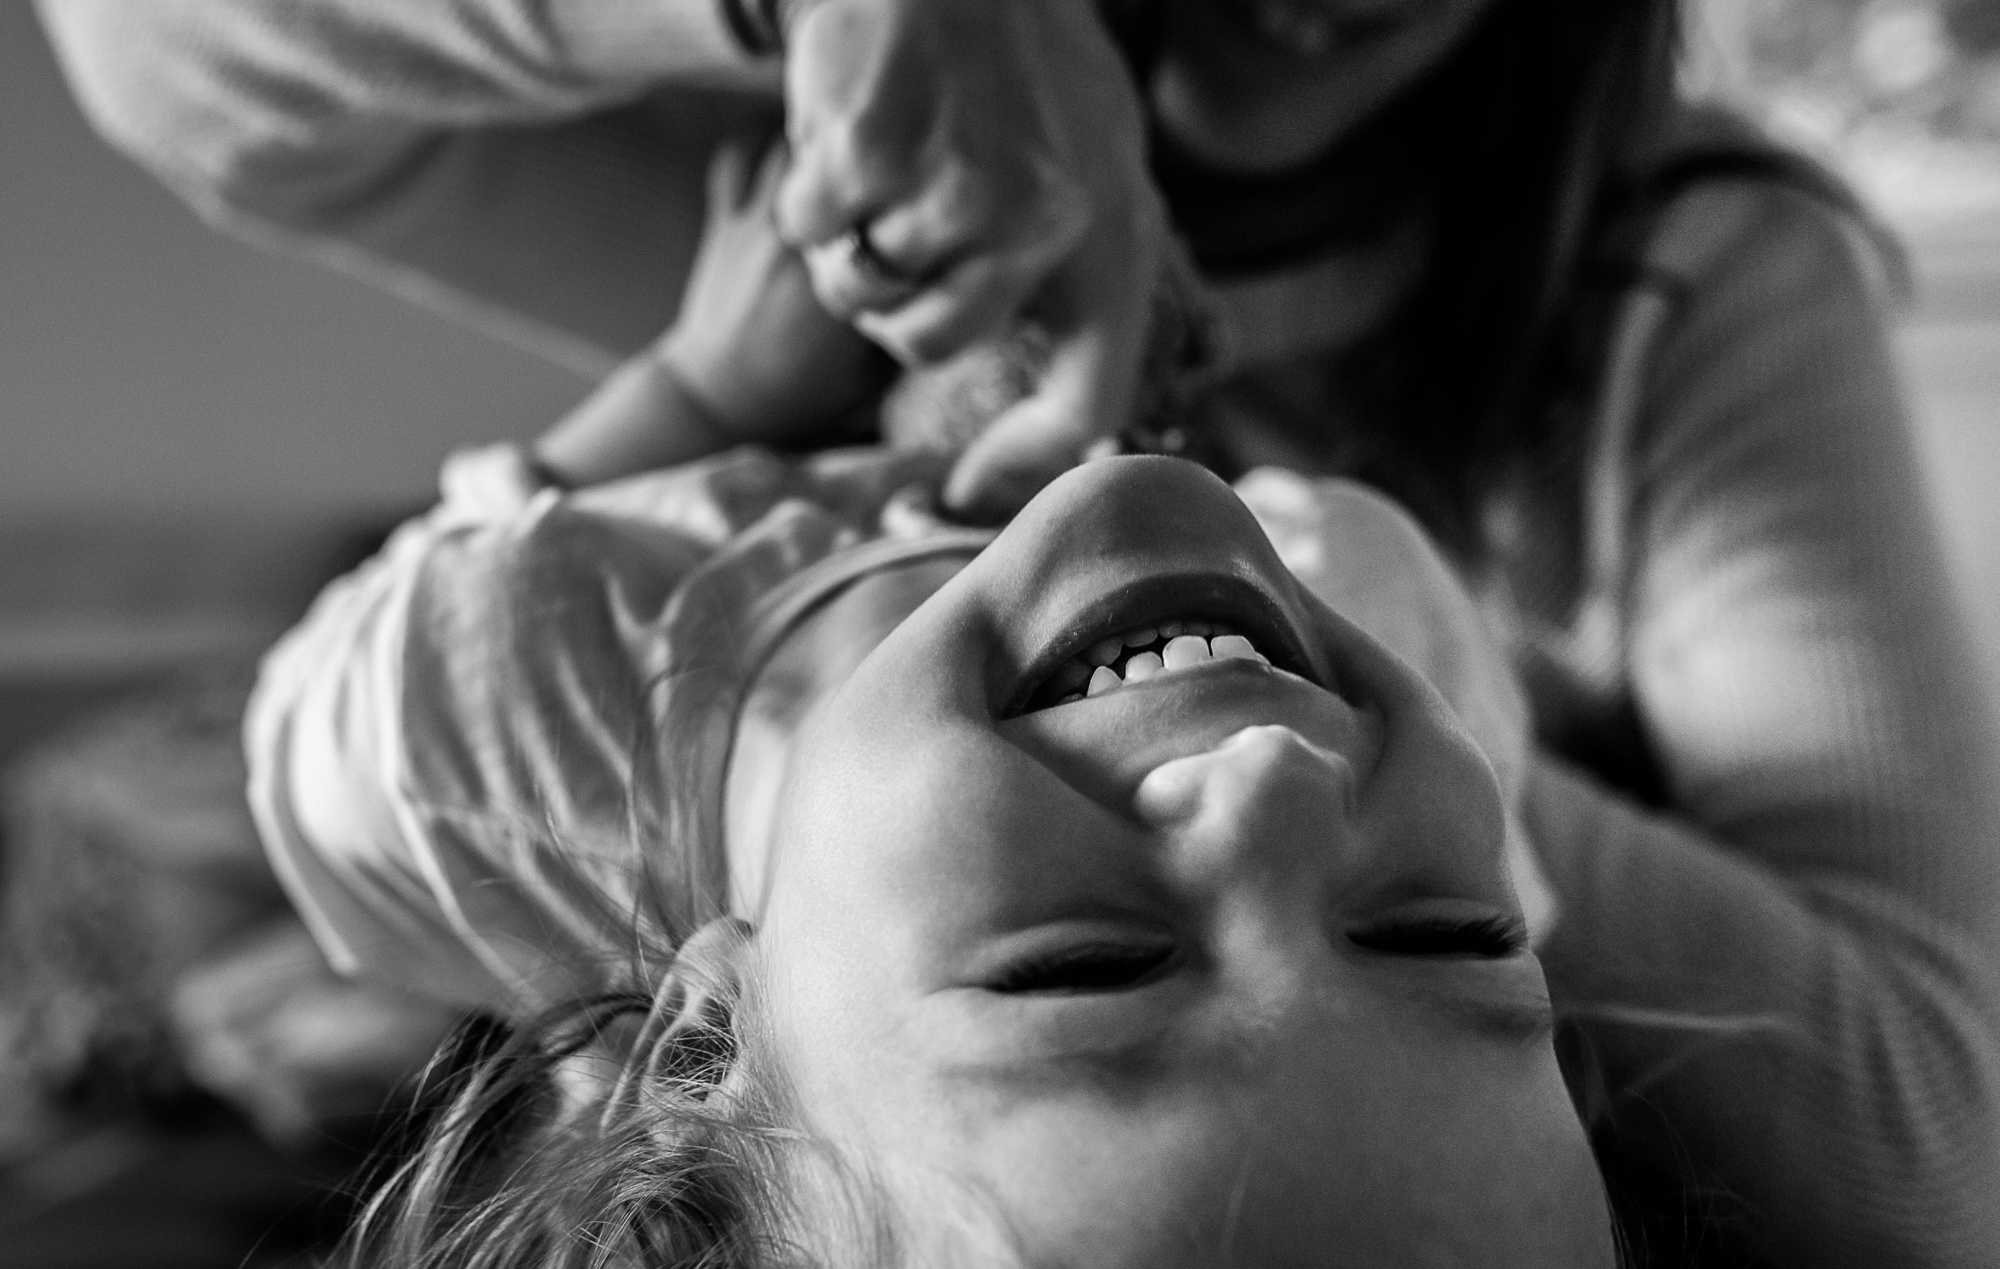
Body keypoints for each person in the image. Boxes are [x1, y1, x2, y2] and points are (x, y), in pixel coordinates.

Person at [32, 0, 2000, 1262]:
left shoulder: (1686, 288)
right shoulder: (890, 88)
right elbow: (145, 23)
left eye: (1086, 971)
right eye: (1450, 927)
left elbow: (1935, 1131)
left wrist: (733, 409)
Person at [250, 435, 1609, 1267]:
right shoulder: (1393, 621)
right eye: (1453, 938)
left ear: (710, 1042)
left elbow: (392, 610)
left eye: (1085, 972)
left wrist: (719, 372)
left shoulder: (467, 735)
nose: (1278, 777)